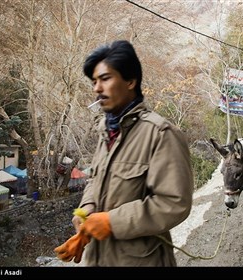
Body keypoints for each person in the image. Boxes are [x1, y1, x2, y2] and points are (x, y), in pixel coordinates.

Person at [54, 40, 194, 266]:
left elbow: (174, 203)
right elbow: (95, 180)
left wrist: (112, 221)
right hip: (98, 258)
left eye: (105, 79)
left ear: (130, 81)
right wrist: (87, 210)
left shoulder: (160, 133)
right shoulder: (105, 131)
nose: (97, 89)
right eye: (94, 82)